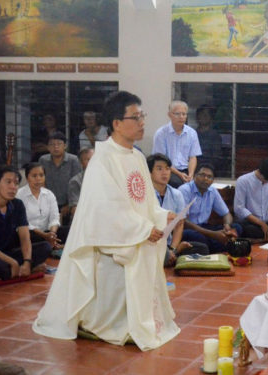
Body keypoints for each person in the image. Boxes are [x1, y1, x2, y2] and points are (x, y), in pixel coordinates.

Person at [33, 90, 180, 351]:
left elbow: (144, 200)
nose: (143, 122)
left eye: (142, 116)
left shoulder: (135, 156)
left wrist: (160, 216)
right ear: (116, 123)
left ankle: (142, 319)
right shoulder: (103, 159)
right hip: (113, 244)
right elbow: (107, 209)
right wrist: (144, 229)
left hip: (137, 235)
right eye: (136, 117)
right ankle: (110, 323)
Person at [0, 165, 48, 281]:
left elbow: (24, 237)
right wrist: (12, 262)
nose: (13, 187)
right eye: (8, 182)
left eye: (16, 183)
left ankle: (17, 270)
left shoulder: (18, 205)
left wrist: (27, 262)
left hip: (11, 252)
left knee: (45, 247)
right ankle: (17, 270)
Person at [148, 153, 210, 267]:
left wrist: (173, 248)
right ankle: (170, 257)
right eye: (159, 169)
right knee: (160, 254)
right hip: (150, 243)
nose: (165, 173)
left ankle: (172, 255)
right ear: (149, 172)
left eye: (167, 169)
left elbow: (179, 225)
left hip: (167, 244)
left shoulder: (176, 194)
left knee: (202, 248)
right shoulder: (144, 195)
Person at [180, 163, 242, 253]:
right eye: (202, 175)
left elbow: (226, 214)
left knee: (237, 227)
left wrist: (227, 227)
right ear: (195, 176)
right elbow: (184, 222)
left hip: (205, 228)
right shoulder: (184, 190)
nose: (205, 179)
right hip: (189, 229)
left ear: (213, 180)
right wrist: (213, 235)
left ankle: (213, 246)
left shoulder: (212, 191)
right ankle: (219, 245)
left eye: (209, 177)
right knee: (197, 237)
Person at [153, 100, 201, 188]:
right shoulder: (161, 133)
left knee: (198, 183)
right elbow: (162, 160)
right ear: (169, 115)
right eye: (177, 114)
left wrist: (190, 175)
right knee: (177, 184)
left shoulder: (192, 133)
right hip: (168, 169)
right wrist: (180, 174)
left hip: (186, 169)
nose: (181, 117)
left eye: (184, 114)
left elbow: (193, 157)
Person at [17, 162, 62, 252]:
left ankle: (52, 244)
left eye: (41, 175)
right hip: (30, 233)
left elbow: (55, 218)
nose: (38, 179)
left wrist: (52, 234)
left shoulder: (49, 194)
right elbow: (22, 223)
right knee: (29, 237)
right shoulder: (19, 195)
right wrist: (44, 236)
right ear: (27, 178)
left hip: (48, 232)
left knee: (70, 231)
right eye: (34, 176)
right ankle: (53, 246)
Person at [234, 158, 268, 241]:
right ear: (260, 172)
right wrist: (261, 224)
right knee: (252, 231)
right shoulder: (243, 181)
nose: (267, 183)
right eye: (265, 180)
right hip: (251, 222)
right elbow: (239, 209)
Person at [38, 131, 82, 222]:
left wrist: (69, 205)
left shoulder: (73, 160)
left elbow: (76, 184)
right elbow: (41, 182)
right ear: (47, 147)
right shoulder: (43, 160)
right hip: (48, 203)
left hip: (68, 204)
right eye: (52, 144)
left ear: (65, 146)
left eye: (59, 144)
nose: (56, 147)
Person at [67, 147, 94, 220]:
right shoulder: (75, 181)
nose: (92, 161)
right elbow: (74, 209)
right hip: (83, 221)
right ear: (81, 163)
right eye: (88, 159)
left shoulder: (106, 178)